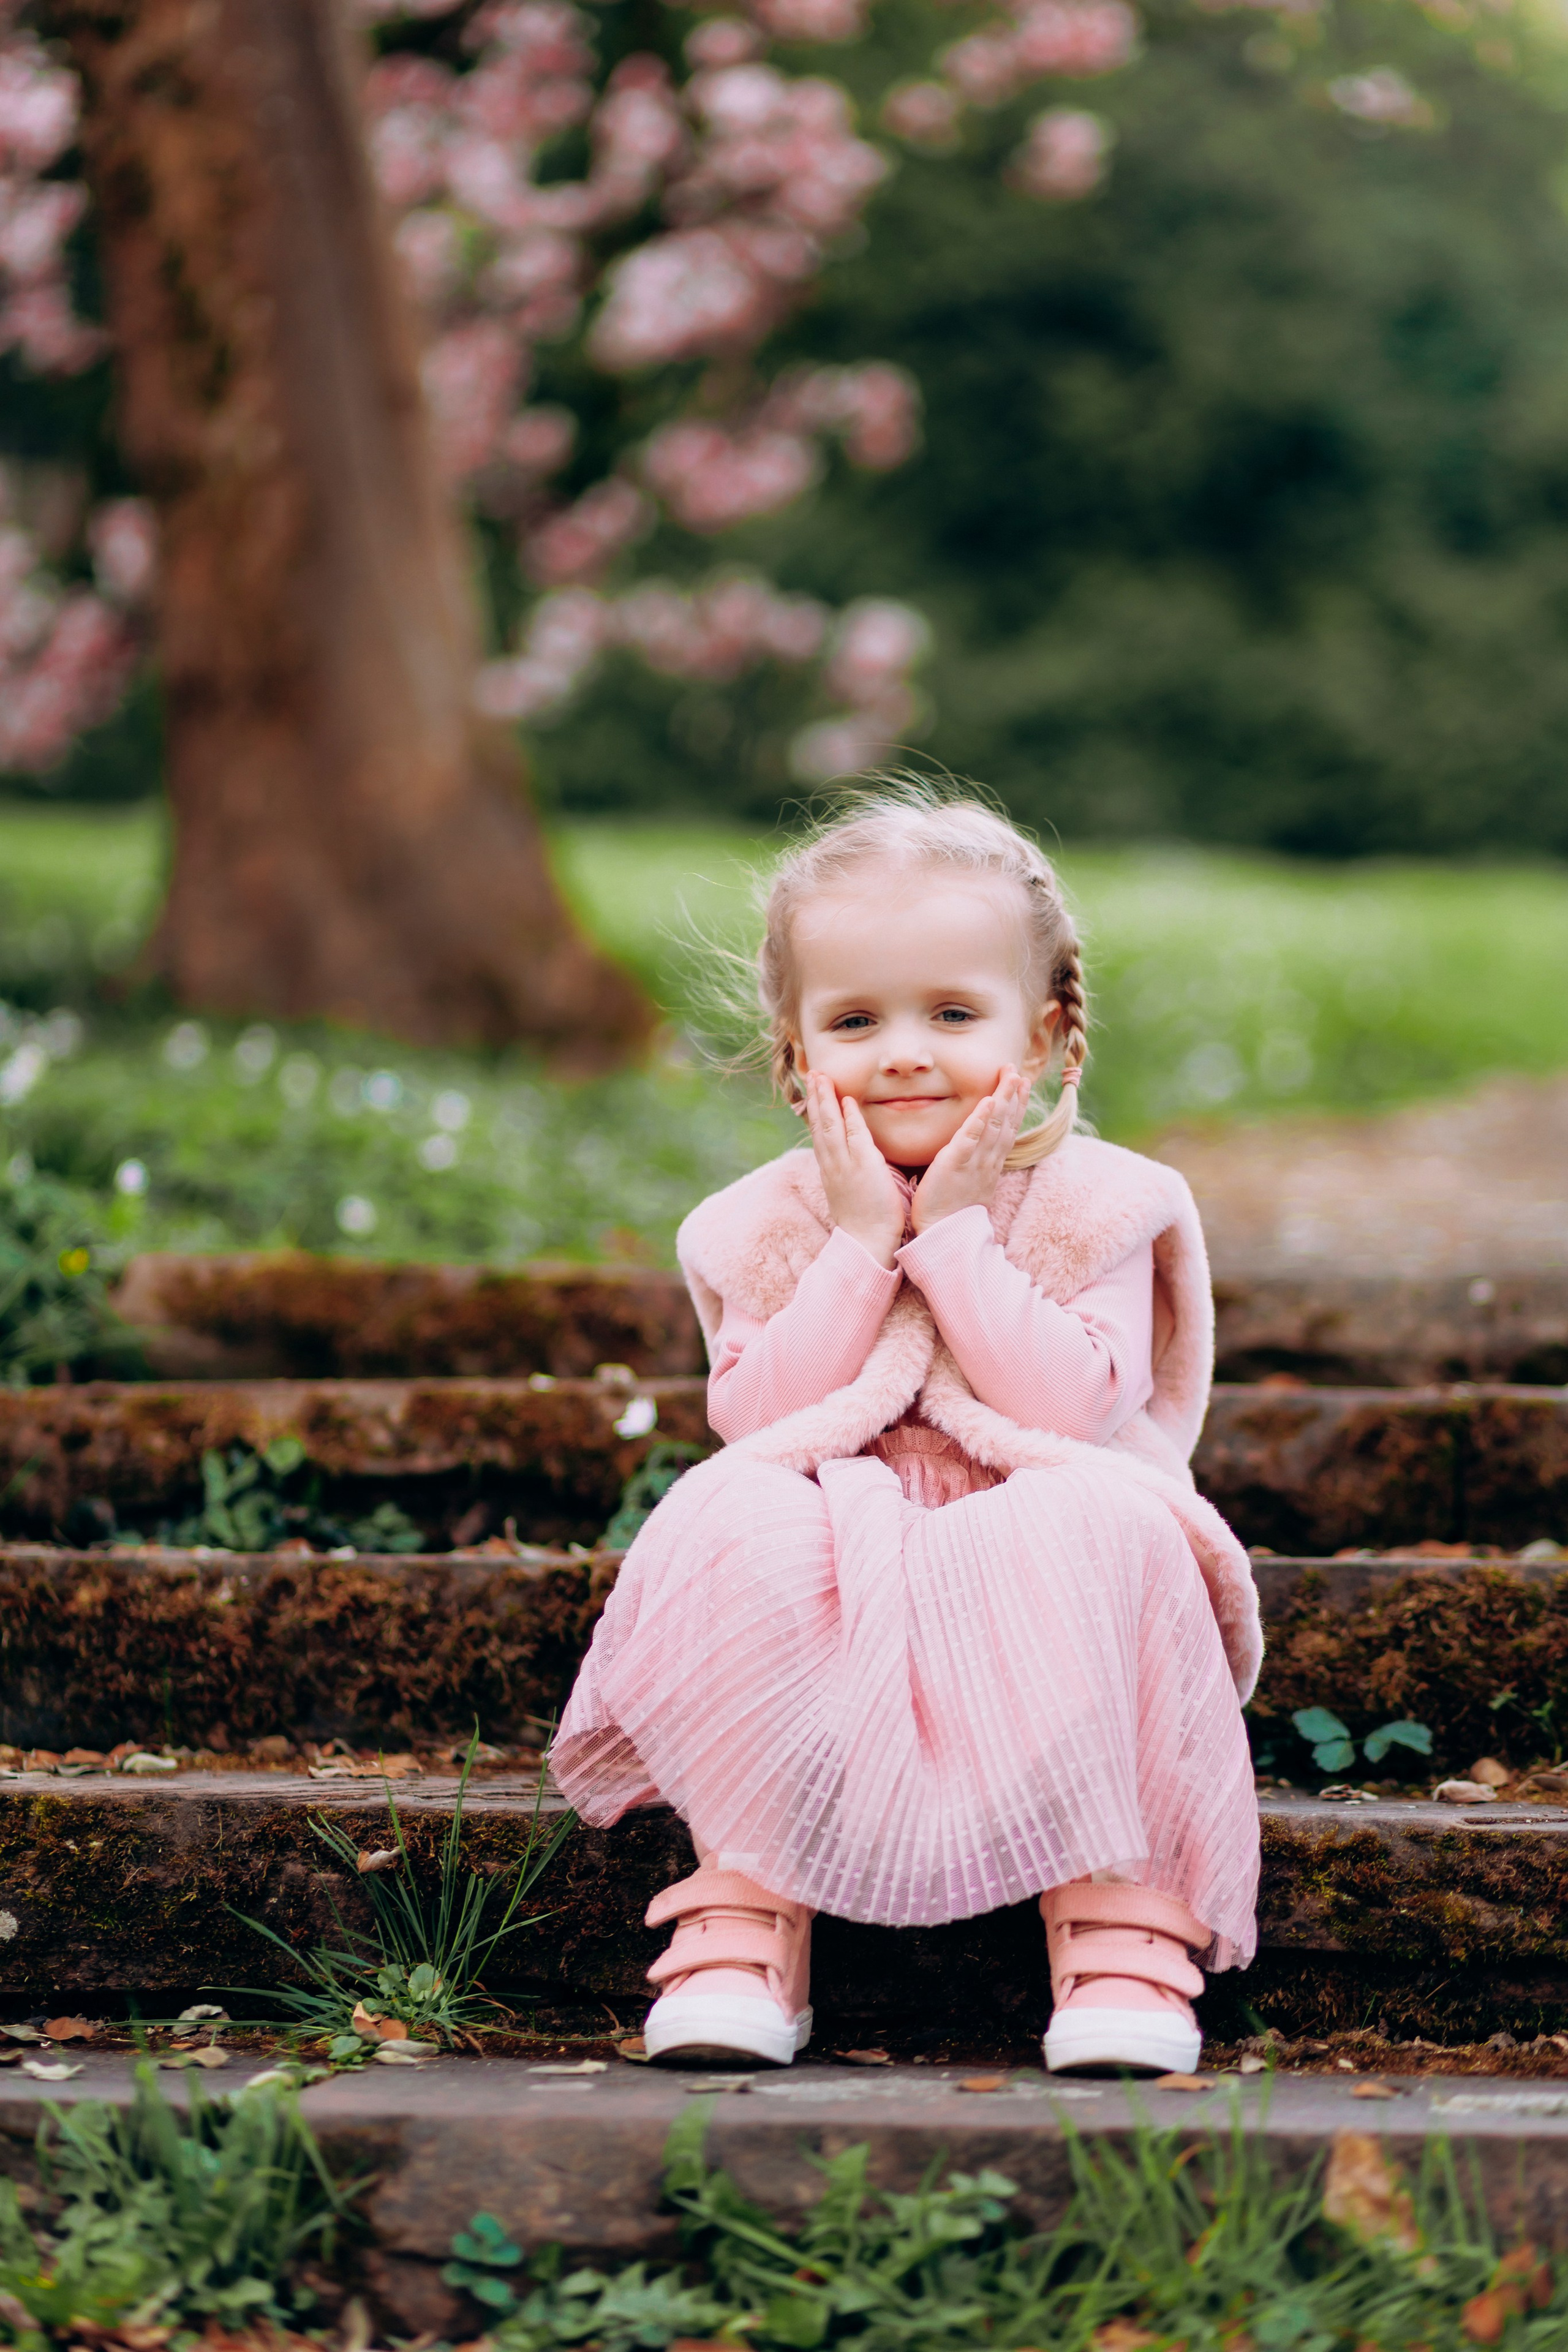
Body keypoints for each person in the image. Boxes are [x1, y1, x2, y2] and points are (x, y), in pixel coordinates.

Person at [552, 785, 1261, 2076]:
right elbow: (759, 1418)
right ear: (792, 1052)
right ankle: (749, 1910)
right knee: (728, 1514)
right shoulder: (757, 1223)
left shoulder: (1098, 1203)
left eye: (951, 1014)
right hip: (835, 1540)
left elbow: (1066, 1409)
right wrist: (862, 1244)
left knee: (1102, 1519)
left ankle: (1114, 1924)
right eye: (854, 1021)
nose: (903, 1053)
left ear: (1043, 1036)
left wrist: (954, 1238)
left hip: (1038, 1521)